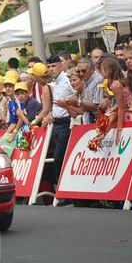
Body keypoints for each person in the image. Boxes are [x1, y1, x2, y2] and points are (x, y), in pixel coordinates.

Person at [46, 55, 76, 190]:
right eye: (49, 67)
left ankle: (64, 189)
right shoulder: (55, 82)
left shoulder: (67, 80)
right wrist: (52, 113)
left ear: (60, 65)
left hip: (66, 122)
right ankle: (62, 189)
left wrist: (68, 104)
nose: (51, 69)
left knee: (60, 157)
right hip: (56, 123)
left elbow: (78, 94)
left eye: (53, 66)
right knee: (57, 158)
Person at [74, 58, 104, 124]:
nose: (81, 74)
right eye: (79, 71)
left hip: (99, 118)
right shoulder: (85, 80)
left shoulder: (98, 80)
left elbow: (97, 107)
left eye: (84, 71)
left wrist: (78, 101)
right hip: (89, 117)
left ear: (92, 69)